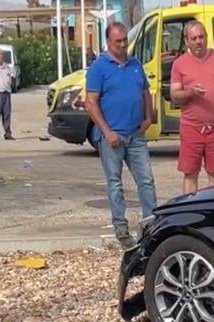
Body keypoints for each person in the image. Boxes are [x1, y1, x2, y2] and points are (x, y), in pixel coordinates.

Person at [84, 21, 158, 247]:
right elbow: (91, 103)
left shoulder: (135, 64)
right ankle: (120, 226)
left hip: (135, 134)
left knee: (146, 180)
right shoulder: (99, 68)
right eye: (118, 41)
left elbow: (146, 93)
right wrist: (107, 131)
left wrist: (148, 118)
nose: (123, 44)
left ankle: (151, 224)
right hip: (112, 137)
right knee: (115, 182)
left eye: (125, 40)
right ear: (108, 42)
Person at [170, 21, 214, 195]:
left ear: (207, 38)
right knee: (190, 174)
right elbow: (174, 94)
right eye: (194, 38)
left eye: (201, 37)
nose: (198, 41)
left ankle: (213, 215)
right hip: (191, 128)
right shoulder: (179, 64)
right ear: (186, 41)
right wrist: (191, 93)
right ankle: (188, 214)